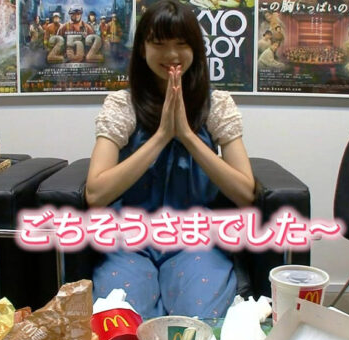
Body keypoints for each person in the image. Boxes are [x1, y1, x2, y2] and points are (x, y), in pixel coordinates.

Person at [87, 0, 254, 319]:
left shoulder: (216, 105)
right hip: (129, 238)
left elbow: (245, 192)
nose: (172, 54)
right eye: (159, 44)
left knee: (198, 323)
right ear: (142, 49)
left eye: (181, 44)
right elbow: (96, 193)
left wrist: (187, 135)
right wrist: (163, 134)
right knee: (124, 323)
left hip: (195, 238)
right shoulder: (122, 105)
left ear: (196, 49)